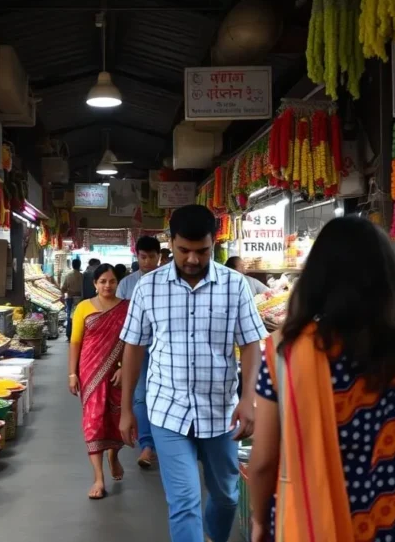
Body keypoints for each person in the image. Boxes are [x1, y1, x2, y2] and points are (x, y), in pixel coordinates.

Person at [246, 217, 395, 542]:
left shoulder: (287, 355)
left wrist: (259, 520)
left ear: (317, 280)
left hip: (314, 524)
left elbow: (264, 461)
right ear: (388, 279)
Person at [119, 205, 267, 542]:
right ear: (170, 243)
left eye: (202, 251)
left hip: (220, 412)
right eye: (184, 250)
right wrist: (127, 408)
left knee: (227, 496)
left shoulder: (235, 286)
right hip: (167, 411)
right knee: (184, 501)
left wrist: (249, 400)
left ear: (213, 243)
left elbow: (251, 344)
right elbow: (133, 348)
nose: (192, 259)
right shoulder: (148, 288)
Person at [68, 264, 129, 500]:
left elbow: (131, 343)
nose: (107, 286)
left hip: (117, 373)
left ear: (117, 283)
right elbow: (75, 342)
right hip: (89, 371)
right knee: (93, 420)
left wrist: (124, 369)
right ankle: (98, 477)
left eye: (112, 281)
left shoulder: (126, 308)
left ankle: (114, 457)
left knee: (114, 418)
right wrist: (71, 373)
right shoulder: (83, 307)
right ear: (94, 283)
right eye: (102, 281)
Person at [116, 235, 162, 469]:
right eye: (143, 257)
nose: (147, 262)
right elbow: (122, 326)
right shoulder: (126, 285)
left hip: (164, 350)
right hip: (138, 351)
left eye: (151, 257)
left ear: (159, 257)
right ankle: (147, 445)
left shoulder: (168, 282)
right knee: (141, 395)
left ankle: (168, 443)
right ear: (137, 257)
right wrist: (121, 362)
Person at [61, 258, 84, 339]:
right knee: (80, 317)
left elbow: (63, 288)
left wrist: (64, 294)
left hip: (70, 299)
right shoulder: (82, 276)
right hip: (81, 299)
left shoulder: (68, 275)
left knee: (69, 316)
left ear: (72, 265)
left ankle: (69, 334)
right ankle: (78, 334)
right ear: (79, 265)